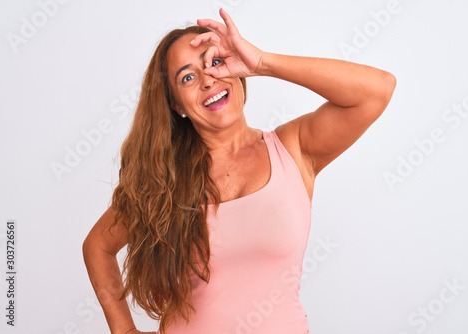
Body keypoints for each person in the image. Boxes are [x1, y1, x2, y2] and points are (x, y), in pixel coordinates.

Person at [82, 8, 396, 334]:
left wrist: (262, 62)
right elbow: (98, 246)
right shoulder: (164, 179)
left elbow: (377, 90)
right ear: (176, 105)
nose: (207, 80)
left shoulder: (293, 149)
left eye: (215, 62)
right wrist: (124, 330)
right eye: (187, 77)